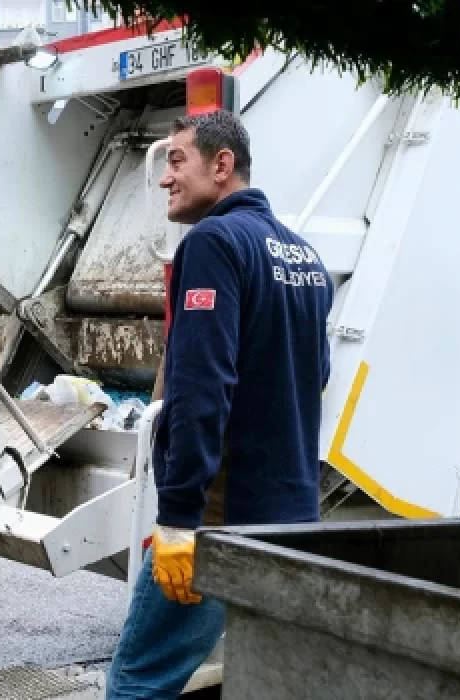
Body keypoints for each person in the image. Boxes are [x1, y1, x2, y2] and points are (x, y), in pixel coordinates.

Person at [105, 109, 334, 698]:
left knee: (139, 679)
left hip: (220, 519)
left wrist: (180, 519)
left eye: (177, 160)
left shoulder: (212, 244)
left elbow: (202, 389)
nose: (165, 177)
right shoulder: (308, 261)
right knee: (263, 680)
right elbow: (315, 377)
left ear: (222, 165)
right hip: (292, 520)